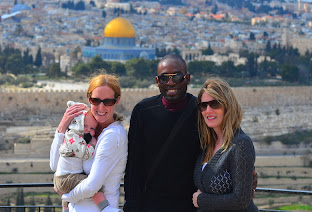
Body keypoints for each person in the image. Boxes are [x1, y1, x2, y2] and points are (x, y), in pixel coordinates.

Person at [124, 54, 258, 212]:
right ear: (157, 81)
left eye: (177, 76)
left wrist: (247, 176)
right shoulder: (143, 111)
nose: (171, 82)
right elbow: (134, 164)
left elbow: (230, 144)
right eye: (164, 78)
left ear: (187, 78)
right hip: (151, 204)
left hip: (190, 205)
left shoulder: (200, 110)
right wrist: (131, 204)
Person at [50, 73, 128, 212]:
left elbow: (92, 186)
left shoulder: (113, 136)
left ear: (117, 101)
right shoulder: (89, 133)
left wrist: (67, 196)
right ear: (89, 98)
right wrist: (61, 129)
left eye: (108, 101)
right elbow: (55, 165)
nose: (101, 107)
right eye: (96, 100)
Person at [192, 77, 258, 211]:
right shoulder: (207, 145)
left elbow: (241, 200)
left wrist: (200, 200)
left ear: (227, 106)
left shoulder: (240, 144)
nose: (208, 110)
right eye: (203, 106)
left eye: (214, 104)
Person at [53, 101, 98, 212]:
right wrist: (61, 129)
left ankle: (65, 207)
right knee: (94, 184)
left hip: (76, 196)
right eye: (85, 126)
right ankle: (106, 207)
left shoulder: (82, 138)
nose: (88, 130)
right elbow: (53, 165)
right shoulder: (74, 138)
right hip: (68, 181)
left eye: (92, 128)